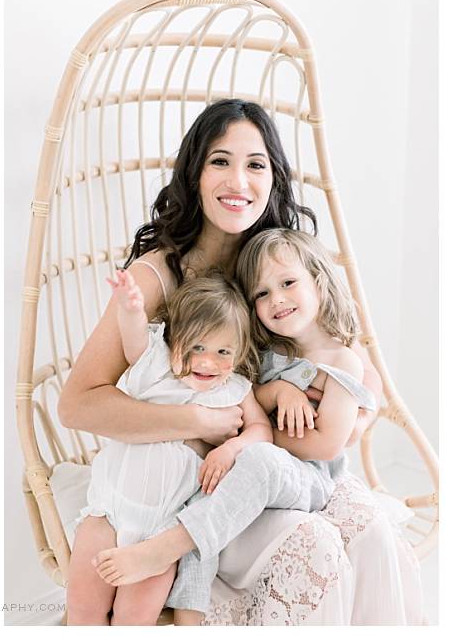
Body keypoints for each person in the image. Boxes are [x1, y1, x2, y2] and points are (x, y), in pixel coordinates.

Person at [58, 98, 421, 625]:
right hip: (204, 489)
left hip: (291, 467)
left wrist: (350, 418)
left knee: (371, 529)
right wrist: (203, 423)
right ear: (195, 173)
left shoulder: (281, 262)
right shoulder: (157, 277)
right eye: (220, 161)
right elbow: (77, 406)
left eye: (256, 164)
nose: (239, 180)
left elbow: (358, 370)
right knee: (313, 545)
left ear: (273, 178)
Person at [92, 229, 386, 623]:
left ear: (318, 279)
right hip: (254, 469)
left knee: (258, 462)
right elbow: (245, 396)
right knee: (204, 497)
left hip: (306, 479)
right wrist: (279, 391)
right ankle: (189, 619)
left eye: (287, 283)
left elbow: (326, 446)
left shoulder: (341, 360)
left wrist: (242, 438)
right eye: (261, 294)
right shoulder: (272, 352)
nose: (276, 299)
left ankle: (167, 547)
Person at [66, 271, 273, 626]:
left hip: (162, 530)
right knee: (83, 612)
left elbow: (262, 431)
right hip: (107, 513)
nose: (208, 363)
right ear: (176, 339)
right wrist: (130, 307)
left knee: (135, 619)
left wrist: (232, 447)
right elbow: (133, 341)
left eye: (223, 351)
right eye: (197, 348)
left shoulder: (234, 387)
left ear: (238, 353)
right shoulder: (156, 366)